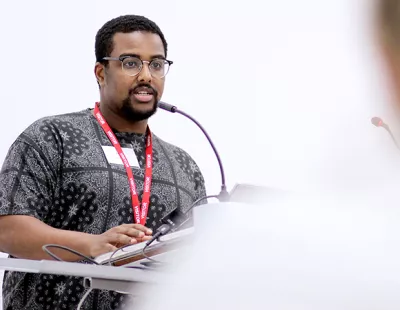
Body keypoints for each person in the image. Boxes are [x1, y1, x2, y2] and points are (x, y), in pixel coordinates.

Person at [0, 14, 207, 310]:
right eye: (130, 63)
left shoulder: (184, 167)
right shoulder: (51, 136)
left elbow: (197, 258)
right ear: (100, 72)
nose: (146, 76)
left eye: (157, 64)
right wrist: (92, 245)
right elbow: (6, 228)